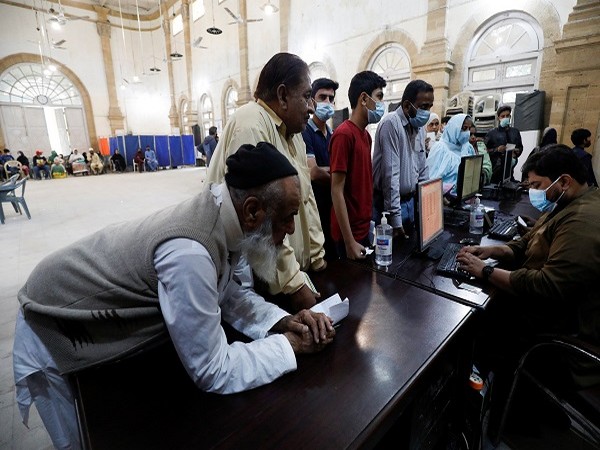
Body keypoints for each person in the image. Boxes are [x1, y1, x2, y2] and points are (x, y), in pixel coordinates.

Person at [13, 142, 335, 450]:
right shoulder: (190, 252)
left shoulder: (224, 212)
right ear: (252, 210)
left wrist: (281, 322)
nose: (291, 229)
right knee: (80, 441)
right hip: (52, 317)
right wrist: (290, 346)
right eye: (287, 216)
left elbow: (225, 291)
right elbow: (213, 370)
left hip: (72, 294)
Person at [456, 145, 600, 435]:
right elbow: (528, 242)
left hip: (561, 334)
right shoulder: (568, 204)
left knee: (475, 325)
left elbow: (546, 285)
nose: (533, 192)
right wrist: (491, 251)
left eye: (537, 185)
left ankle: (479, 412)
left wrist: (485, 271)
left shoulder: (582, 221)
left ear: (564, 181)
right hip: (553, 313)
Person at [206, 52, 326, 312]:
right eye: (306, 96)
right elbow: (262, 224)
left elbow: (307, 201)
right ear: (283, 96)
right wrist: (294, 284)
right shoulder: (251, 124)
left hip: (294, 276)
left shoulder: (295, 134)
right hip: (265, 286)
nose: (312, 107)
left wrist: (317, 257)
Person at [330, 71, 386, 259]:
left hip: (362, 229)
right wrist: (348, 241)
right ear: (364, 98)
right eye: (378, 97)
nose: (381, 104)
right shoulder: (344, 135)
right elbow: (336, 190)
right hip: (348, 234)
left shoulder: (365, 135)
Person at [372, 79, 434, 237]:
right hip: (388, 206)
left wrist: (427, 207)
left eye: (429, 107)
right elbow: (390, 175)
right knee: (392, 255)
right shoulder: (391, 124)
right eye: (423, 107)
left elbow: (422, 169)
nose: (427, 112)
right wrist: (395, 218)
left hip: (410, 202)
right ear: (407, 106)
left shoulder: (419, 128)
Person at [301, 77, 339, 261]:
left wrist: (333, 172)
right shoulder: (305, 132)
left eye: (331, 98)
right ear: (312, 100)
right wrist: (341, 174)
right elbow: (314, 173)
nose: (327, 102)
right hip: (314, 208)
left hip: (332, 206)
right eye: (322, 97)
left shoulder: (333, 134)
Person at [426, 114, 475, 195]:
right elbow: (430, 181)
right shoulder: (440, 149)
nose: (467, 133)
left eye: (469, 129)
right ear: (454, 128)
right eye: (464, 128)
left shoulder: (468, 148)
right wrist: (448, 189)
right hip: (443, 199)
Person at [484, 105, 523, 183]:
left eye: (507, 116)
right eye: (503, 116)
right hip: (495, 171)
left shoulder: (515, 132)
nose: (505, 118)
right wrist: (497, 150)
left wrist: (517, 152)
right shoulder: (492, 133)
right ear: (498, 118)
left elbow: (520, 147)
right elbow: (484, 151)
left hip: (510, 170)